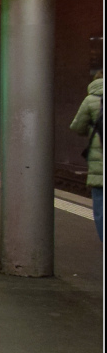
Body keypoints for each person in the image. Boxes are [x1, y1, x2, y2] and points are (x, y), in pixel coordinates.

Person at [69, 68, 102, 241]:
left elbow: (77, 126)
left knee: (101, 203)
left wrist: (92, 128)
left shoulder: (90, 100)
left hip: (99, 162)